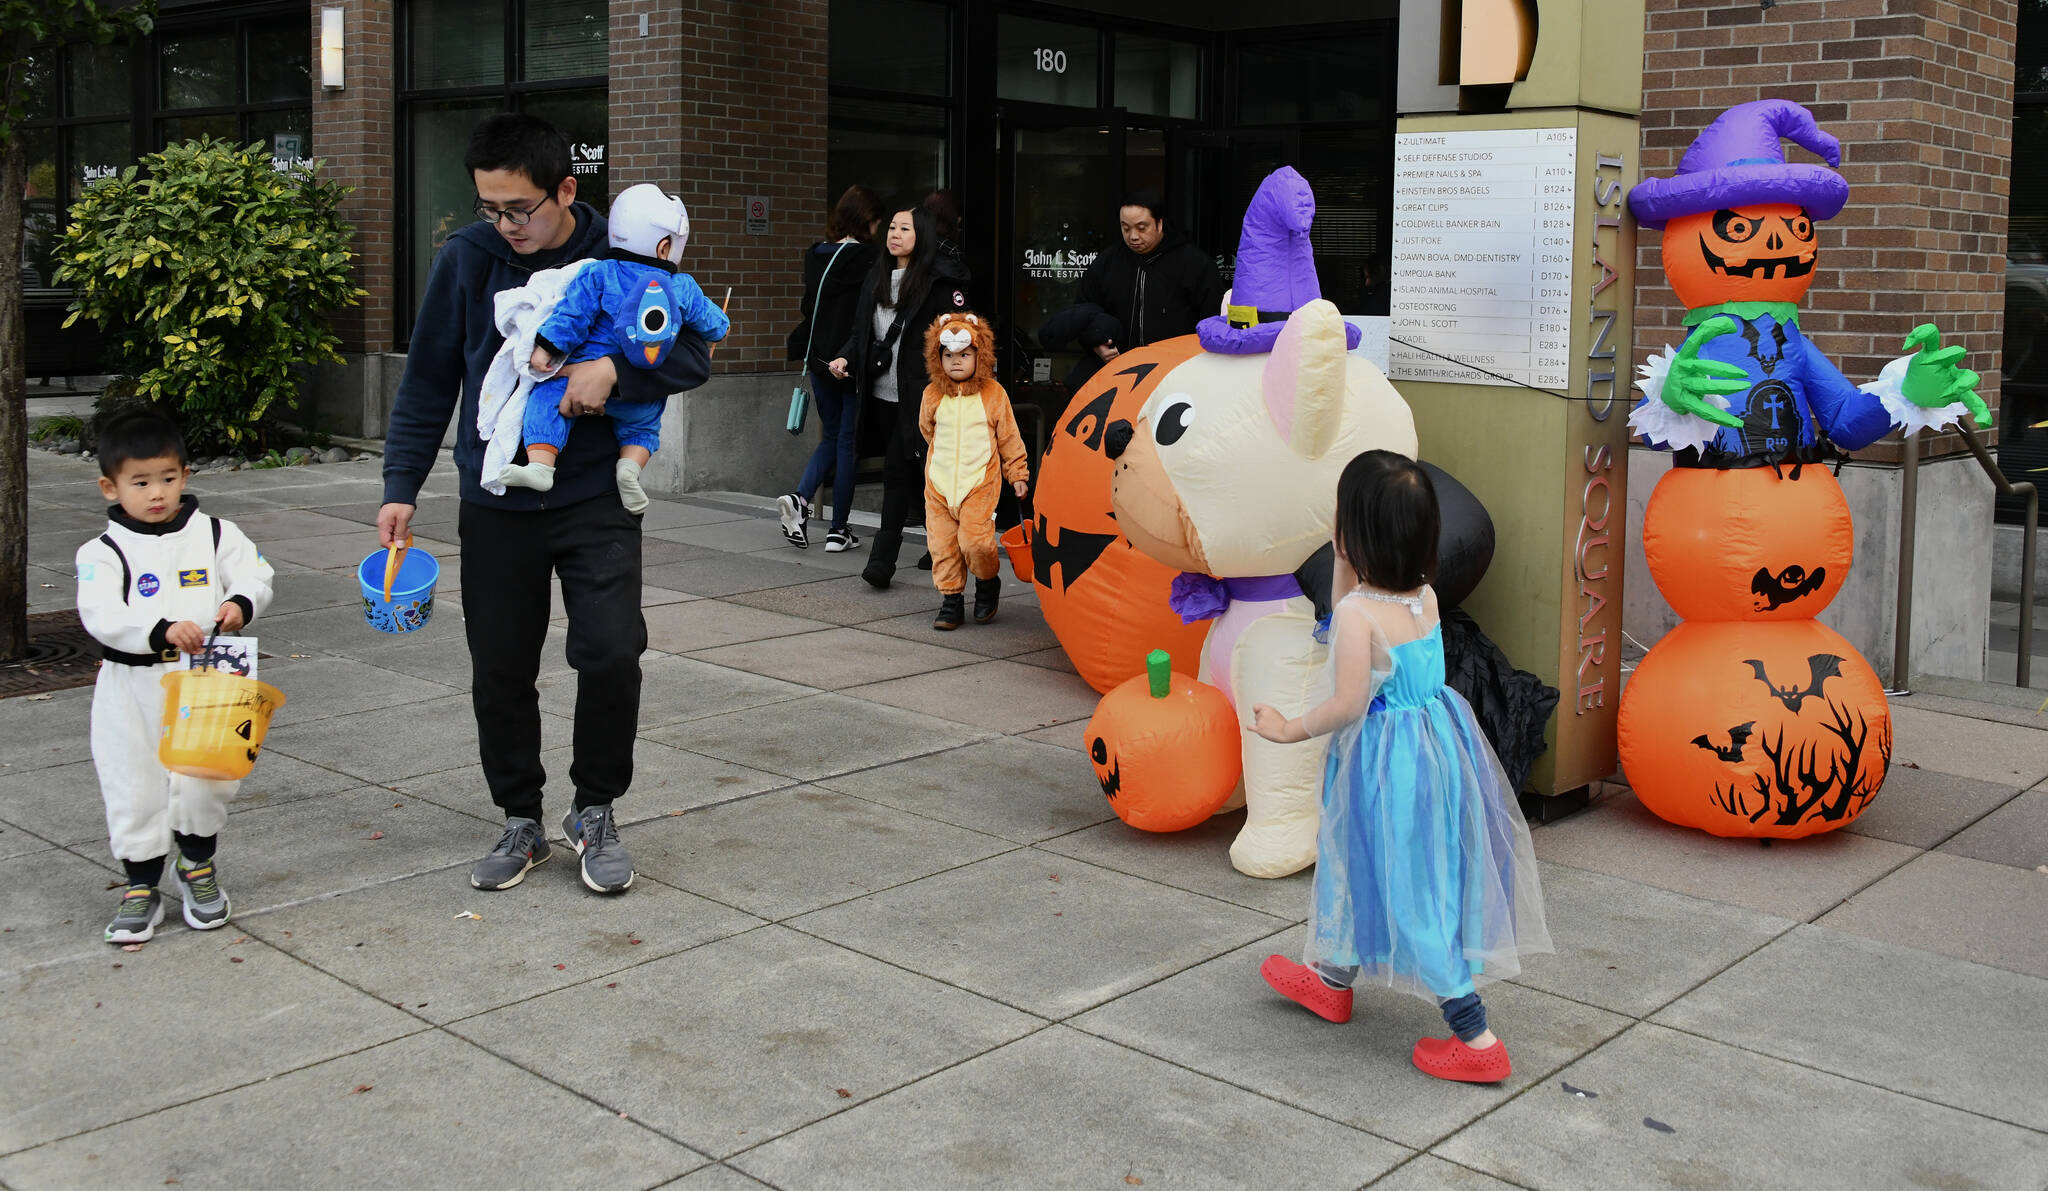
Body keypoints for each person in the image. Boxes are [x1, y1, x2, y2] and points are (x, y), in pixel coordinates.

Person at [379, 113, 713, 896]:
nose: (504, 227)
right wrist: (400, 487)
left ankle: (594, 808)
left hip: (595, 493)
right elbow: (429, 379)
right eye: (488, 209)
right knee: (499, 667)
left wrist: (616, 377)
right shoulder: (468, 259)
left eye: (518, 210)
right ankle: (520, 818)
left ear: (566, 190)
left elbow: (694, 351)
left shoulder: (622, 250)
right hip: (496, 498)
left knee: (609, 650)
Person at [1249, 450, 1551, 1084]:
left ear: (1355, 534)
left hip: (1386, 765)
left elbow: (1348, 697)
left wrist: (1288, 729)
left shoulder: (1362, 614)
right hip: (1435, 750)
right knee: (1362, 862)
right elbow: (1343, 618)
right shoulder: (1423, 598)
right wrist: (1341, 560)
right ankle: (1332, 978)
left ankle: (1476, 1036)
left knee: (1410, 888)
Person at [75, 409, 275, 943]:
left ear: (185, 474)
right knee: (133, 783)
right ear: (110, 487)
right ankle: (141, 883)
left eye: (167, 478)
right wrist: (159, 629)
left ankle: (197, 866)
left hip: (210, 677)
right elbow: (100, 614)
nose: (156, 493)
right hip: (131, 685)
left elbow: (257, 574)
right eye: (140, 483)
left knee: (207, 778)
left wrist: (238, 603)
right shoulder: (103, 552)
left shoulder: (215, 534)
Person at [494, 184, 729, 513]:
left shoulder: (598, 273)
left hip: (572, 383)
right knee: (644, 426)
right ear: (665, 247)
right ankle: (630, 470)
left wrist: (546, 347)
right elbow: (713, 323)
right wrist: (722, 325)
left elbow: (572, 316)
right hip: (640, 392)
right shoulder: (681, 286)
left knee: (544, 403)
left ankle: (541, 465)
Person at [825, 203, 971, 590]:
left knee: (901, 474)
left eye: (904, 229)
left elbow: (958, 339)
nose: (895, 235)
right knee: (915, 476)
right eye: (891, 228)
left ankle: (882, 562)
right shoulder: (877, 276)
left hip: (924, 399)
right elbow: (864, 332)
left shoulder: (938, 283)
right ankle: (943, 544)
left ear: (921, 235)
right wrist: (845, 356)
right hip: (882, 397)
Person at [778, 184, 881, 551]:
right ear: (867, 220)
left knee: (832, 437)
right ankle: (838, 530)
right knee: (847, 444)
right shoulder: (869, 259)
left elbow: (810, 309)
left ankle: (801, 499)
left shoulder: (815, 255)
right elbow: (866, 315)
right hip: (849, 361)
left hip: (820, 361)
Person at [917, 311, 1028, 629]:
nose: (956, 361)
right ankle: (951, 600)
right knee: (942, 546)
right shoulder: (932, 395)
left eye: (964, 354)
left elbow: (1009, 437)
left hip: (978, 482)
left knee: (975, 542)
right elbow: (928, 431)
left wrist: (1016, 474)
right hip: (938, 485)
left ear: (980, 356)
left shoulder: (994, 394)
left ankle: (987, 582)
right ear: (938, 359)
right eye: (949, 355)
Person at [1071, 190, 1225, 364]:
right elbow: (1084, 313)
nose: (1133, 236)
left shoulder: (1194, 264)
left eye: (1141, 228)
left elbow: (1213, 321)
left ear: (1159, 223)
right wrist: (1096, 343)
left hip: (1175, 369)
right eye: (1126, 228)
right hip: (1116, 369)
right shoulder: (1107, 263)